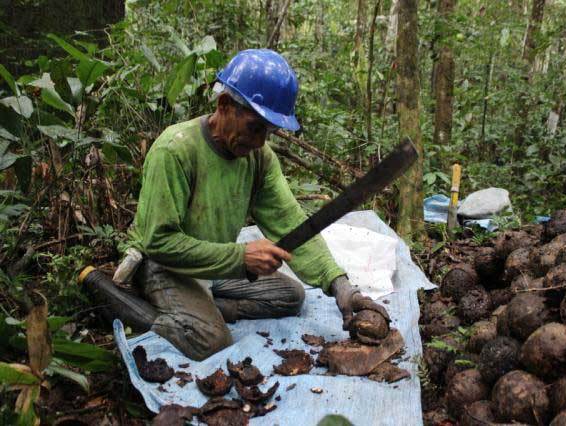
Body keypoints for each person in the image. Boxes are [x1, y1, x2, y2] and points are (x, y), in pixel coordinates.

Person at [123, 49, 389, 360]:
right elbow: (160, 242)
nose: (261, 141)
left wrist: (339, 284)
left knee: (291, 296)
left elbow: (290, 222)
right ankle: (145, 310)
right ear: (224, 106)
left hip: (214, 261)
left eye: (270, 131)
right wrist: (241, 257)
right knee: (211, 341)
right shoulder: (175, 150)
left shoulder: (259, 159)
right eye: (255, 127)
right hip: (164, 265)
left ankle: (207, 305)